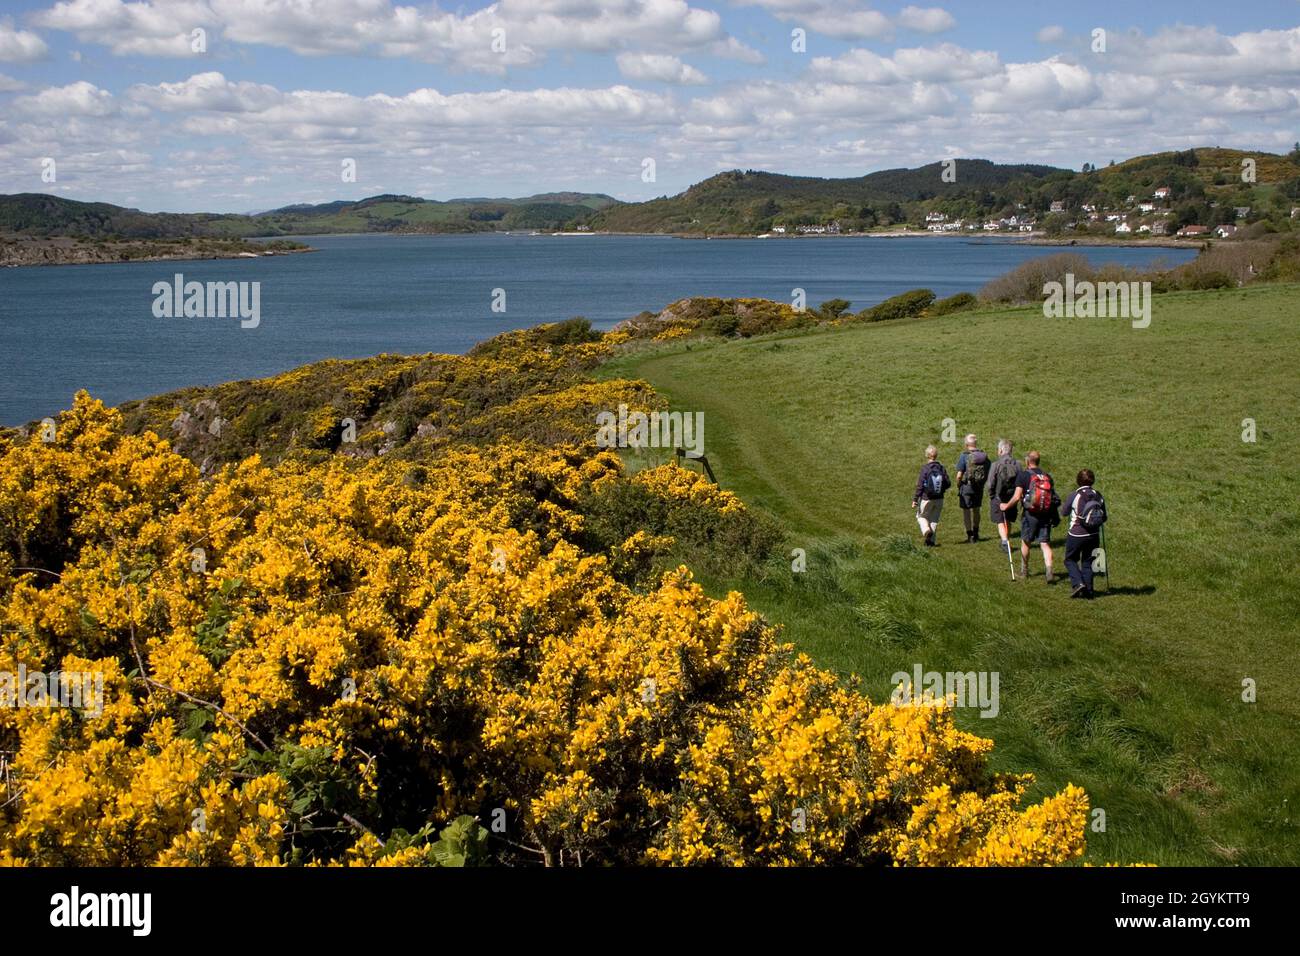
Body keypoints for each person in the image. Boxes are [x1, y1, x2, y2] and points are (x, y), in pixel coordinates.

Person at [1001, 450, 1058, 583]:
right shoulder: (1047, 476)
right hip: (1045, 514)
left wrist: (1006, 506)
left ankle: (1024, 571)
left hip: (1030, 514)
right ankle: (1049, 571)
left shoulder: (1023, 475)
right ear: (1038, 461)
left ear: (1027, 461)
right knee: (1045, 544)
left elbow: (1016, 497)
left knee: (1026, 542)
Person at [1060, 469, 1107, 599]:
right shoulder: (1098, 495)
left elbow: (1064, 512)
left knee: (1070, 559)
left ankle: (1078, 583)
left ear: (1078, 481)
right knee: (1088, 562)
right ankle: (1089, 591)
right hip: (1094, 534)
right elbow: (1104, 517)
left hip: (1076, 534)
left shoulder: (1075, 495)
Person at [986, 439, 1022, 564]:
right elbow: (1020, 481)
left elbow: (990, 483)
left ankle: (1004, 541)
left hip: (998, 497)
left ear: (1000, 450)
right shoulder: (1018, 464)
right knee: (1008, 519)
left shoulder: (995, 464)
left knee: (1000, 521)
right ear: (1011, 451)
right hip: (1013, 497)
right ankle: (1008, 539)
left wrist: (992, 496)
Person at [911, 444, 951, 547]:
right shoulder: (941, 468)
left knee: (920, 516)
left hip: (926, 498)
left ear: (927, 455)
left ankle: (926, 530)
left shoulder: (925, 469)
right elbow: (948, 483)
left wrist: (915, 499)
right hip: (939, 498)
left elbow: (920, 485)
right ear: (936, 455)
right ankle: (931, 542)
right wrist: (941, 490)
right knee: (934, 519)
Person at [954, 434, 990, 543]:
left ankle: (970, 535)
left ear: (966, 444)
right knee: (976, 510)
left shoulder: (964, 456)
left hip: (966, 486)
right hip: (978, 487)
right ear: (976, 444)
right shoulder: (983, 456)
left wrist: (959, 484)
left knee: (966, 511)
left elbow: (959, 475)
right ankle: (976, 533)